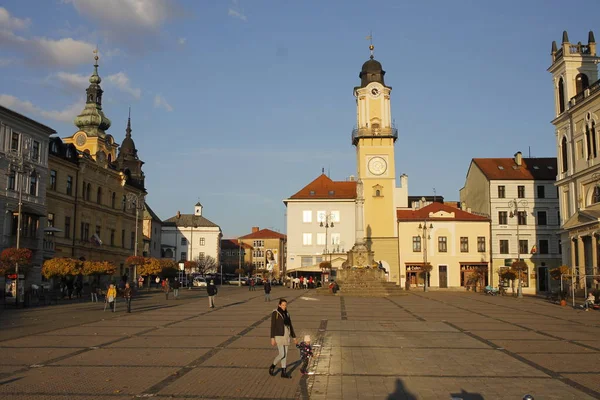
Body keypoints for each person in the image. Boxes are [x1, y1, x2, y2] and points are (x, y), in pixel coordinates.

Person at [269, 298, 297, 379]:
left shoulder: (287, 314)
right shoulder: (275, 313)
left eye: (285, 305)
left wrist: (294, 337)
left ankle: (283, 372)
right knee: (282, 354)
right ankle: (273, 365)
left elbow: (290, 326)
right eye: (283, 305)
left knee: (285, 355)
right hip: (279, 335)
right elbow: (273, 326)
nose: (284, 307)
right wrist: (272, 338)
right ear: (279, 305)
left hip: (286, 335)